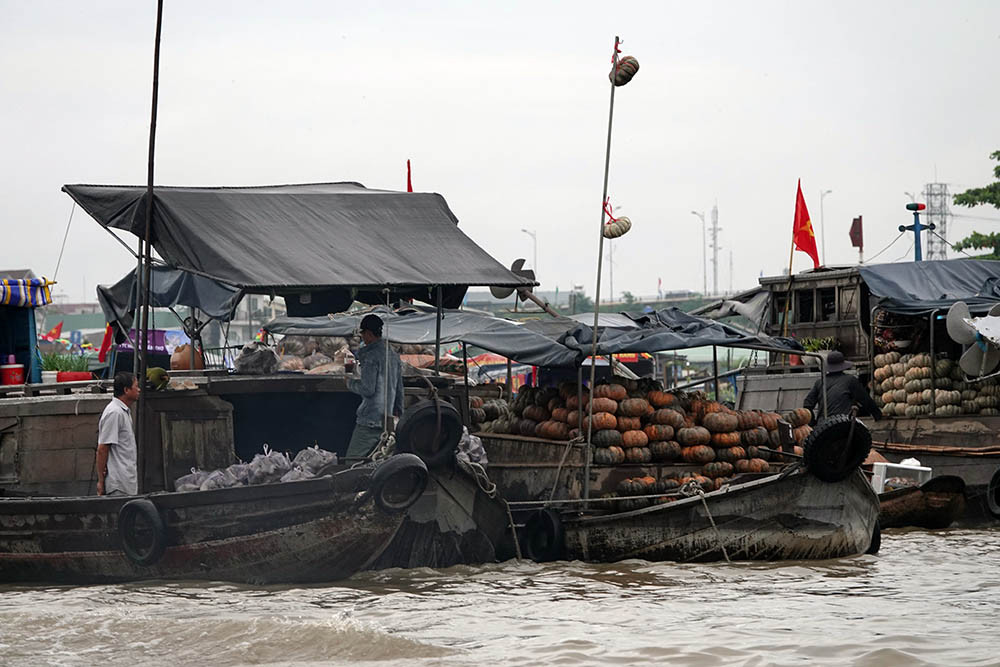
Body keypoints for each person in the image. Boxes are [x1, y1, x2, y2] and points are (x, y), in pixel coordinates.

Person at [346, 314, 404, 459]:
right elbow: (399, 389)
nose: (362, 338)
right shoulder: (393, 355)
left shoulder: (371, 356)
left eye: (363, 334)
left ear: (369, 334)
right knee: (378, 459)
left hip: (370, 420)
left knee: (353, 459)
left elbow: (368, 389)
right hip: (387, 420)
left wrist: (349, 382)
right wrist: (399, 414)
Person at [803, 350, 882, 421]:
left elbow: (807, 404)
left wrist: (812, 423)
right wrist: (877, 414)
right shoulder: (850, 380)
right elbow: (865, 399)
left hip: (822, 426)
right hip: (842, 423)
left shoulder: (820, 382)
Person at [96, 371, 140, 495]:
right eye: (136, 386)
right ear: (126, 390)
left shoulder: (124, 411)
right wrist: (100, 481)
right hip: (118, 483)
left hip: (126, 480)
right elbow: (102, 448)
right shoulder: (114, 413)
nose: (139, 390)